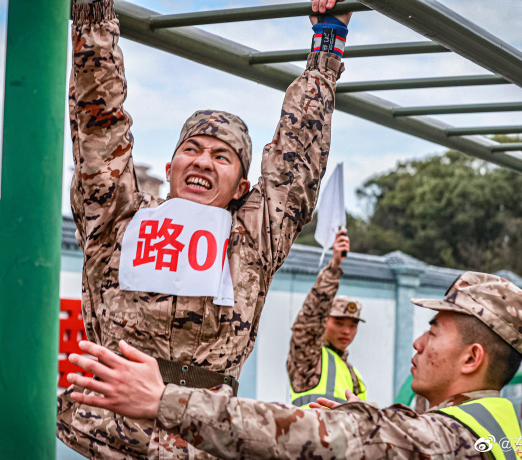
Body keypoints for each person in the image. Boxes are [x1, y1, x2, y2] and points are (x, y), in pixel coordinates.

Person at [59, 0, 353, 457]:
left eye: (222, 156)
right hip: (104, 439)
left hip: (199, 442)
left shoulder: (253, 239)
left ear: (242, 187)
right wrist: (93, 15)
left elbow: (295, 162)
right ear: (171, 164)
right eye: (192, 149)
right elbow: (100, 125)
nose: (202, 161)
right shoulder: (119, 220)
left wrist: (327, 45)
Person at [68, 272, 522, 459]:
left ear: (472, 357)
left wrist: (162, 400)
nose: (419, 343)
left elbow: (307, 436)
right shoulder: (499, 428)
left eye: (436, 331)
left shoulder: (443, 440)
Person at [288, 229, 367, 407]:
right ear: (324, 322)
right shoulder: (309, 357)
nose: (346, 331)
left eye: (352, 325)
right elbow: (310, 319)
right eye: (338, 323)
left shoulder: (353, 374)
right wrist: (334, 267)